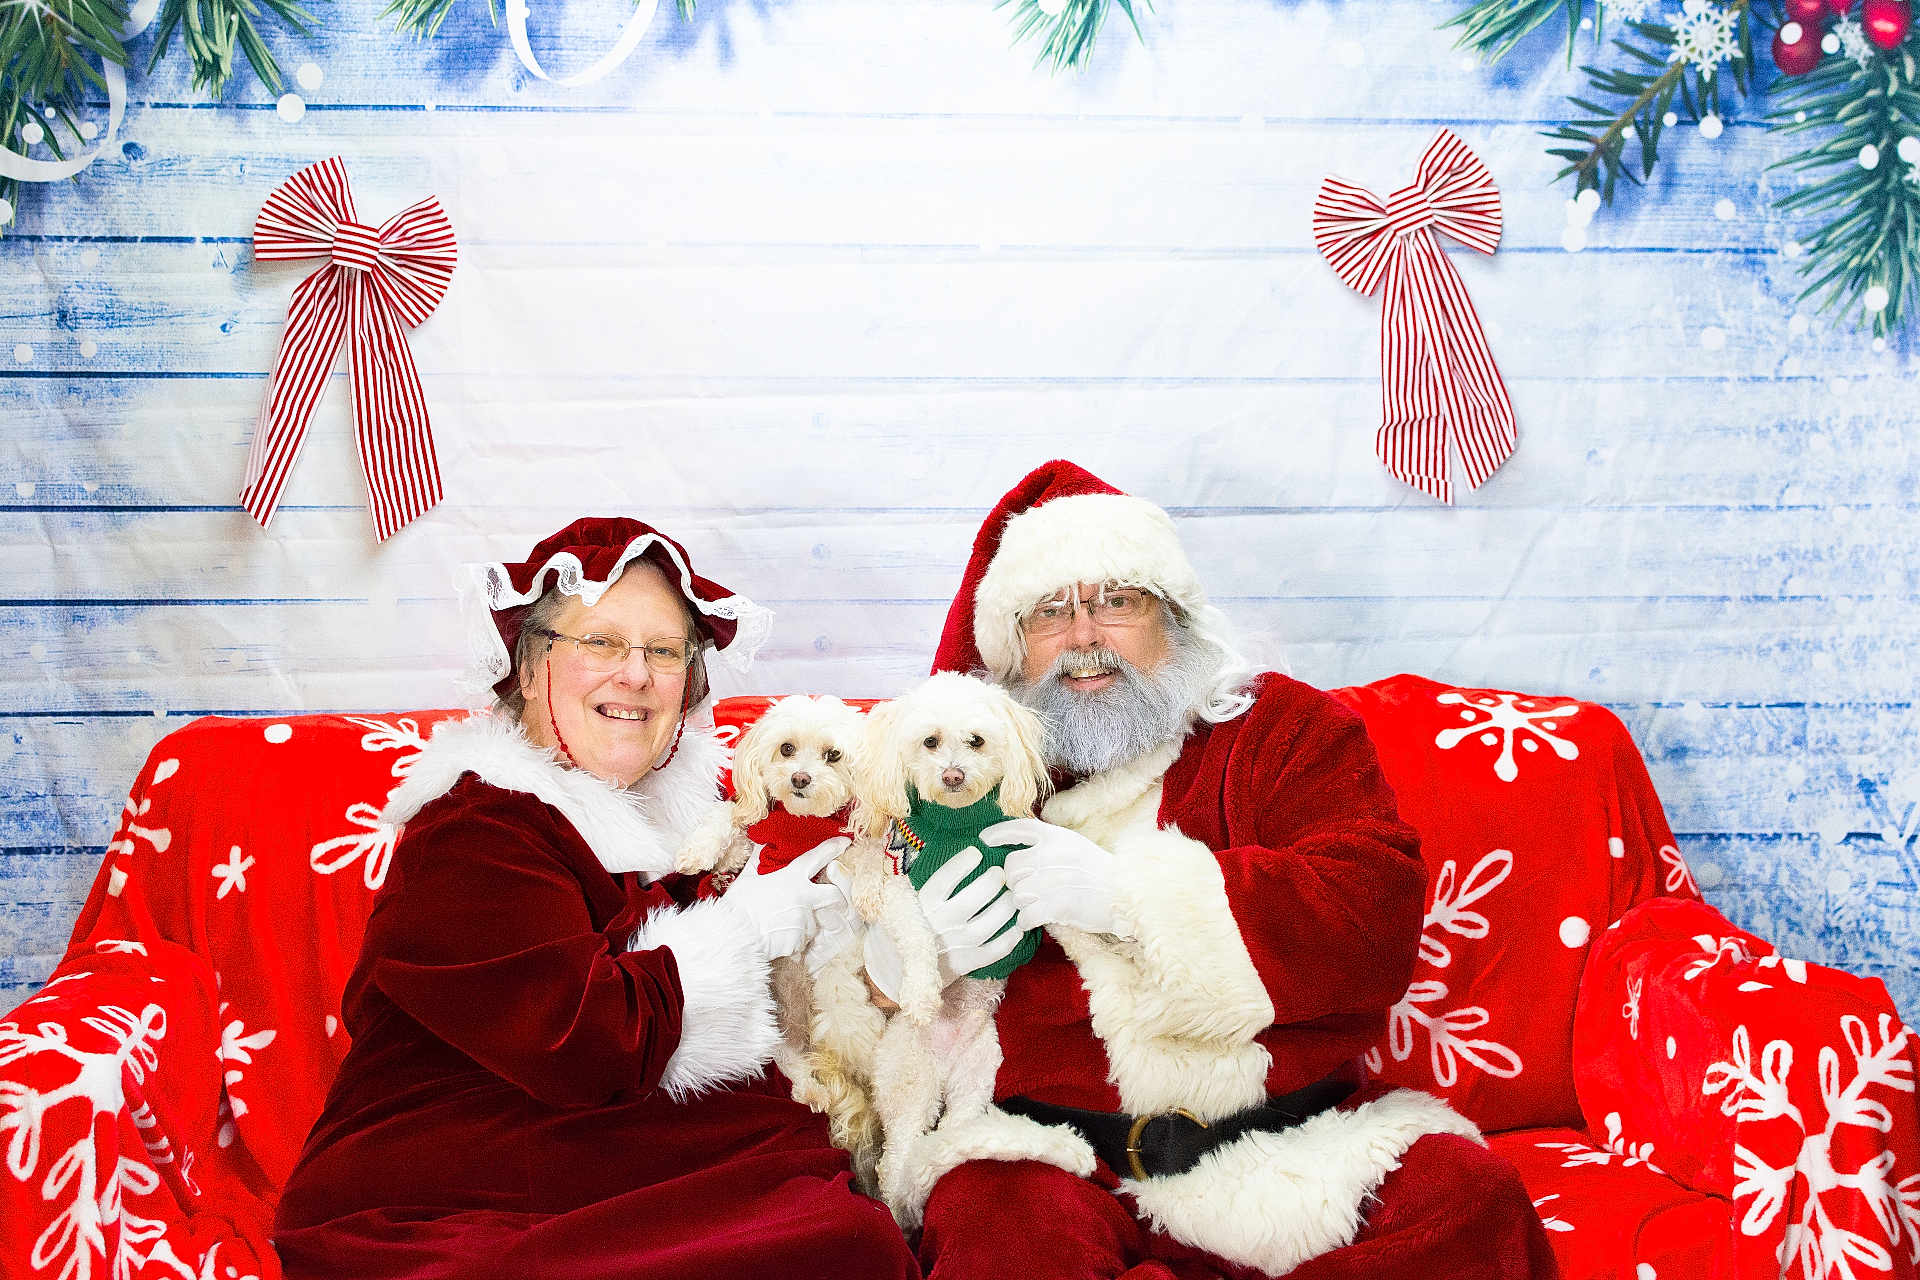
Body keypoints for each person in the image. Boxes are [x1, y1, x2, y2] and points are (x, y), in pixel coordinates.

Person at [893, 462, 1559, 1280]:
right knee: (997, 1233)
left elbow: (1372, 913)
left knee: (1467, 1199)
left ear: (1174, 618)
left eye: (1116, 601)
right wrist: (912, 958)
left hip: (1290, 1147)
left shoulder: (1281, 729)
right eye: (1049, 614)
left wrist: (1130, 899)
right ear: (1010, 650)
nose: (1084, 637)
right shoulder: (960, 770)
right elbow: (865, 964)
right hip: (1053, 1153)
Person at [272, 517, 918, 1280]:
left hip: (618, 1153)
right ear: (530, 665)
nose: (636, 674)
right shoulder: (476, 826)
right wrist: (745, 928)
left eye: (664, 652)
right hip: (452, 1185)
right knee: (833, 1246)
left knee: (846, 1233)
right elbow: (586, 1042)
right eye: (601, 642)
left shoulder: (695, 825)